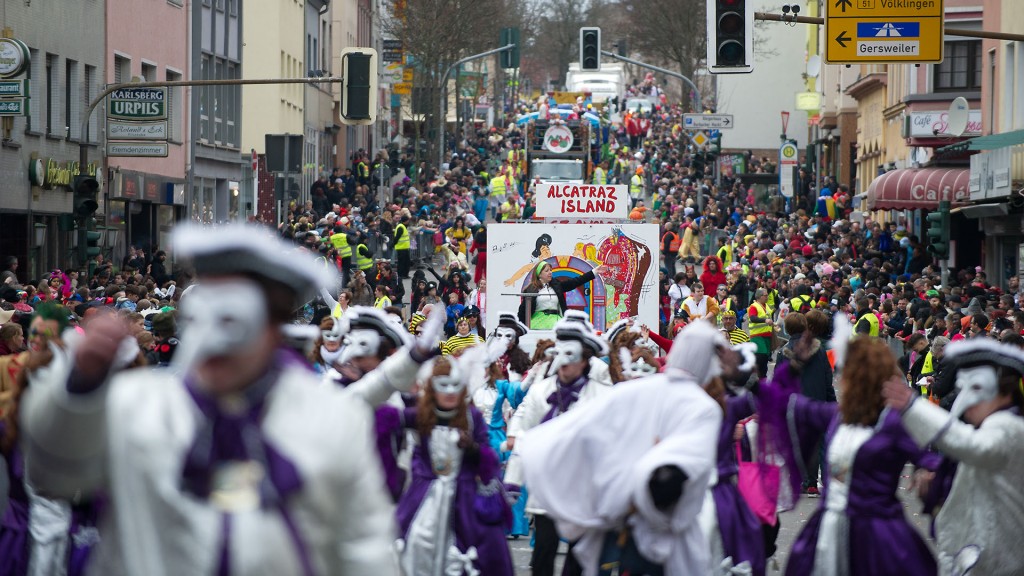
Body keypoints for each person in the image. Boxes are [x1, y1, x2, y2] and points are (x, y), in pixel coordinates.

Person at [20, 225, 405, 574]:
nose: (214, 343)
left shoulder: (330, 418)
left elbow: (363, 547)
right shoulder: (139, 407)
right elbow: (53, 473)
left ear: (273, 330)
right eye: (202, 318)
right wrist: (78, 388)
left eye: (235, 323)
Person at [515, 320, 724, 575]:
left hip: (630, 508)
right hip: (624, 508)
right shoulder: (700, 407)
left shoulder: (618, 392)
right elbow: (564, 432)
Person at [757, 335, 938, 576]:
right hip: (827, 531)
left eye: (848, 374)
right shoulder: (836, 415)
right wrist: (791, 368)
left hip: (878, 533)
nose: (842, 381)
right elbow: (782, 402)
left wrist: (929, 475)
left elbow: (934, 460)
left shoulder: (894, 423)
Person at [884, 339, 1024, 576]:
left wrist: (913, 406)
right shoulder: (990, 425)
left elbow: (975, 447)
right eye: (963, 388)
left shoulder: (1009, 426)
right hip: (975, 554)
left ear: (1005, 392)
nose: (968, 401)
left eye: (978, 388)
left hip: (997, 560)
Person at [505, 317, 613, 576]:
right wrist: (513, 481)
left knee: (578, 556)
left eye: (572, 357)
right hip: (548, 487)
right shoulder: (540, 392)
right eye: (560, 355)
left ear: (585, 360)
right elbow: (524, 434)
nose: (564, 363)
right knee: (543, 550)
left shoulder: (602, 396)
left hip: (582, 488)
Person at [394, 354, 515, 576]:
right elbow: (385, 418)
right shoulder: (419, 416)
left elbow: (489, 458)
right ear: (432, 389)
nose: (449, 392)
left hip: (464, 499)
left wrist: (473, 449)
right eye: (443, 386)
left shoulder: (472, 417)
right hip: (423, 499)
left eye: (455, 386)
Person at [516, 261, 606, 330]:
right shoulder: (531, 289)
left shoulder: (557, 285)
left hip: (556, 322)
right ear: (539, 274)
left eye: (551, 270)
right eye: (547, 271)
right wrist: (520, 329)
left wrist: (594, 272)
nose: (550, 272)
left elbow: (576, 281)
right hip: (538, 323)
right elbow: (522, 312)